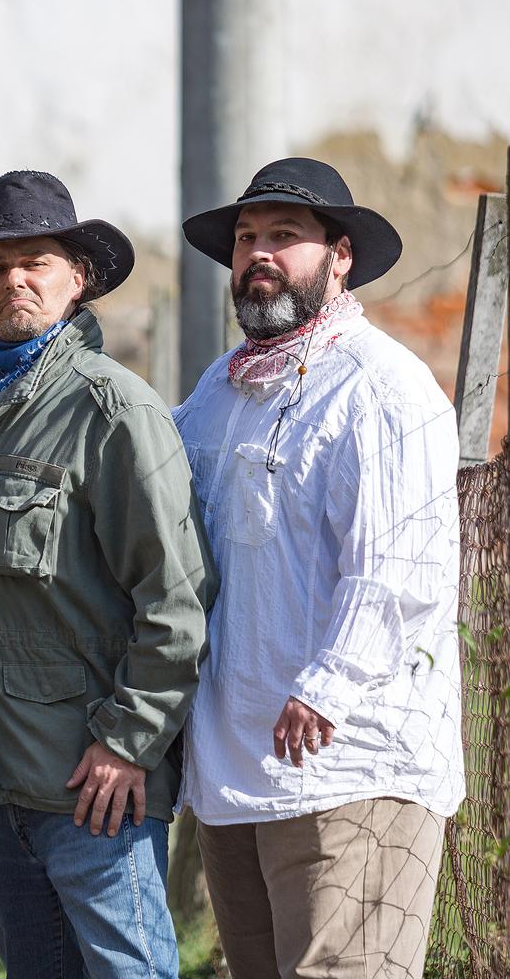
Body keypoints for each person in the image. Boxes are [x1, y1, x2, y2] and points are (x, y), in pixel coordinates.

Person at [174, 157, 464, 978]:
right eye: (245, 238)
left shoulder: (381, 387)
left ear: (339, 256)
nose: (257, 254)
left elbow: (401, 562)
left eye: (283, 237)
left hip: (350, 763)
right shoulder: (216, 394)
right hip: (237, 767)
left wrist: (328, 684)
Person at [0, 170, 211, 978]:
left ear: (76, 278)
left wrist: (126, 742)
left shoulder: (110, 409)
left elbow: (175, 598)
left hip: (94, 792)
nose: (12, 279)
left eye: (34, 262)